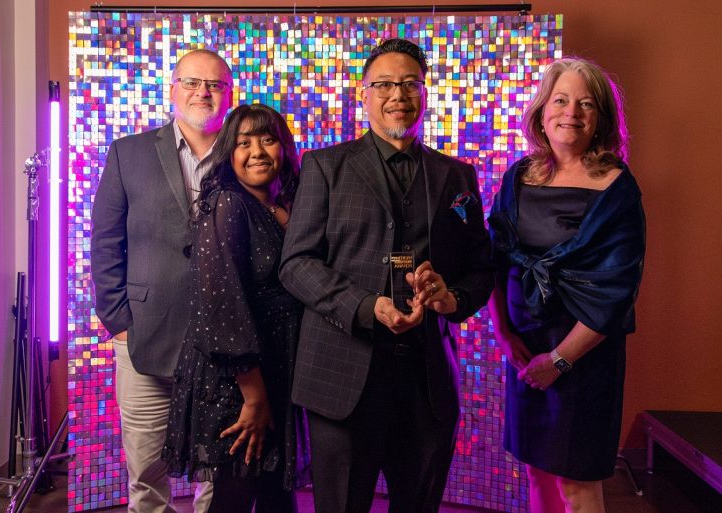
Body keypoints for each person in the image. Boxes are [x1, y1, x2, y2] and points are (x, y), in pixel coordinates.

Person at [279, 39, 494, 513]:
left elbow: (481, 266)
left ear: (424, 92)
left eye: (410, 84)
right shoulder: (325, 166)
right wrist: (361, 305)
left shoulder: (457, 176)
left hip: (427, 382)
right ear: (364, 94)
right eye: (385, 84)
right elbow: (295, 264)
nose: (398, 94)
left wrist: (452, 297)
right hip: (340, 378)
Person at [487, 57, 646, 513]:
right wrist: (504, 335)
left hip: (582, 356)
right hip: (524, 348)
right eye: (560, 100)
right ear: (541, 110)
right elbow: (495, 260)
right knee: (536, 473)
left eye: (586, 103)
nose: (570, 112)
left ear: (601, 119)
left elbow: (616, 293)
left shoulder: (617, 187)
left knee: (576, 484)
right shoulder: (519, 176)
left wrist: (558, 361)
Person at [91, 49, 232, 513]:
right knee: (147, 471)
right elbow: (106, 242)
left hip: (227, 341)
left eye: (213, 85)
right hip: (144, 338)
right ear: (172, 89)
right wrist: (117, 321)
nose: (202, 92)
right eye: (191, 82)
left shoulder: (247, 151)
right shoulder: (128, 153)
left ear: (229, 95)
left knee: (220, 469)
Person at [161, 103, 305, 513]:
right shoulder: (227, 205)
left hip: (280, 366)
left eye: (267, 139)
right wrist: (254, 396)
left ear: (284, 148)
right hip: (239, 380)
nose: (257, 151)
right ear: (229, 152)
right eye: (244, 143)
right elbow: (221, 305)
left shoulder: (285, 206)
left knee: (277, 492)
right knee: (234, 496)